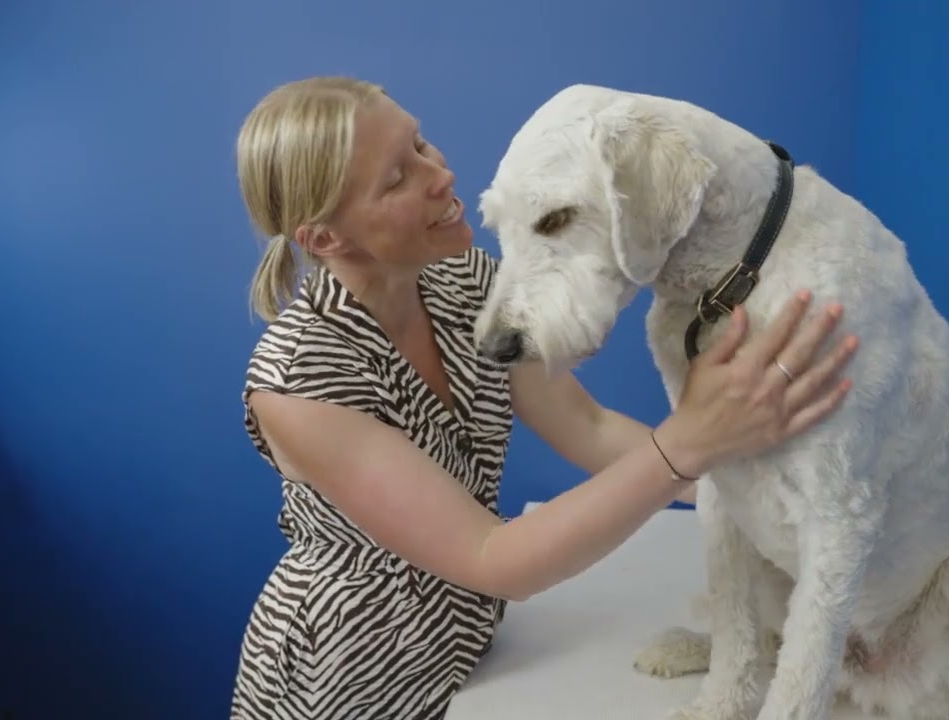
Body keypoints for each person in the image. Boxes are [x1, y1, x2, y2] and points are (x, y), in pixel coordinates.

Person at [229, 76, 859, 720]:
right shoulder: (297, 383)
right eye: (396, 179)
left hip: (469, 650)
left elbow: (586, 424)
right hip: (344, 676)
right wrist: (691, 442)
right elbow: (490, 557)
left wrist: (761, 489)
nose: (440, 174)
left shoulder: (464, 283)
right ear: (324, 240)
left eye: (418, 144)